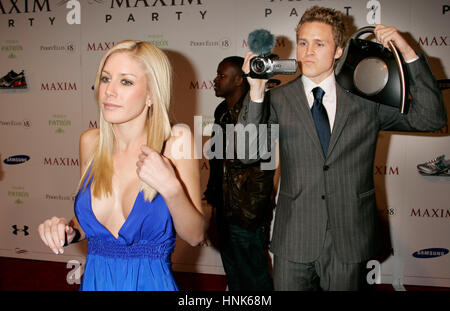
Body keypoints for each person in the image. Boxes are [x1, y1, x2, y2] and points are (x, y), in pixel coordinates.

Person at [238, 6, 447, 291]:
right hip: (294, 237)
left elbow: (430, 118)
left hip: (349, 238)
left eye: (319, 44)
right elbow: (248, 153)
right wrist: (256, 92)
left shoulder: (366, 99)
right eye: (303, 43)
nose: (308, 51)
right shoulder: (277, 99)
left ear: (338, 50)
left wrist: (407, 52)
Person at [37, 40, 205, 291]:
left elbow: (195, 236)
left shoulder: (174, 143)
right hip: (96, 282)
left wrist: (172, 189)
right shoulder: (90, 142)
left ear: (151, 94)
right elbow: (86, 224)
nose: (109, 91)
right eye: (105, 79)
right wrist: (68, 230)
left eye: (125, 81)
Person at [204, 56, 276, 290]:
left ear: (238, 80)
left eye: (221, 75)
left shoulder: (258, 110)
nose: (215, 80)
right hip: (225, 209)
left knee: (255, 280)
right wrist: (214, 199)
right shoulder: (221, 111)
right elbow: (217, 161)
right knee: (234, 276)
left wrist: (250, 211)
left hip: (247, 212)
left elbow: (264, 166)